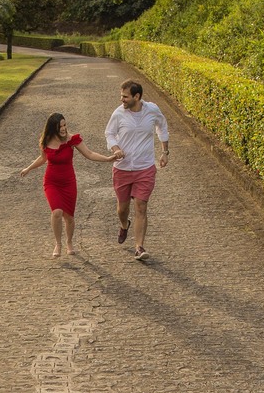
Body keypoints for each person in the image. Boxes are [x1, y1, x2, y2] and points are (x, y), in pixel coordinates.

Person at [20, 113, 119, 258]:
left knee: (69, 217)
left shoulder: (72, 140)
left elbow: (89, 154)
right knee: (57, 212)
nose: (63, 129)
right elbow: (43, 158)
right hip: (51, 182)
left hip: (68, 183)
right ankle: (58, 244)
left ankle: (69, 242)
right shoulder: (46, 141)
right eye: (60, 126)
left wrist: (108, 159)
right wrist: (28, 168)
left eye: (64, 125)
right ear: (52, 128)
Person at [106, 79, 169, 261]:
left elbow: (162, 126)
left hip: (145, 167)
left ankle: (139, 247)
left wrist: (165, 151)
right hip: (122, 169)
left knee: (141, 206)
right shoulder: (118, 114)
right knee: (122, 208)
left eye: (125, 97)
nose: (122, 100)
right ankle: (124, 225)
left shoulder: (152, 110)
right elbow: (109, 133)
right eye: (121, 96)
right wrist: (115, 148)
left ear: (137, 96)